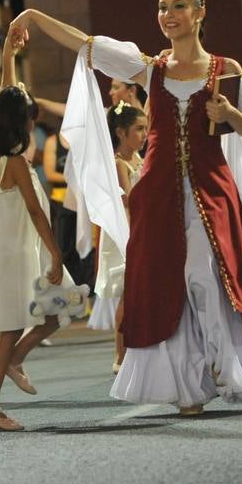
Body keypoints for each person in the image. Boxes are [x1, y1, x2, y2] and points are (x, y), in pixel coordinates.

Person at [10, 0, 242, 415]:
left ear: (200, 13)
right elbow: (87, 45)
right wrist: (32, 16)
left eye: (178, 7)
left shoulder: (227, 69)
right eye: (163, 8)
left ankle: (221, 363)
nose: (169, 16)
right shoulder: (149, 69)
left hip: (211, 190)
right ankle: (188, 386)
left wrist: (230, 113)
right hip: (157, 193)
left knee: (203, 274)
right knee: (169, 283)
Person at [0, 30, 68, 431]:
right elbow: (34, 208)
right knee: (12, 328)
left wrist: (10, 53)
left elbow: (6, 94)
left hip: (16, 249)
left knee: (56, 311)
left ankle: (14, 362)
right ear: (22, 123)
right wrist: (56, 253)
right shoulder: (12, 161)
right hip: (19, 252)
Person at [87, 102, 146, 373]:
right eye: (138, 129)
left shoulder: (140, 159)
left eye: (145, 128)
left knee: (142, 292)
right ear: (121, 133)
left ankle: (142, 348)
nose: (144, 134)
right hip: (126, 229)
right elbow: (131, 198)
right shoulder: (118, 163)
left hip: (143, 226)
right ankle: (120, 355)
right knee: (127, 292)